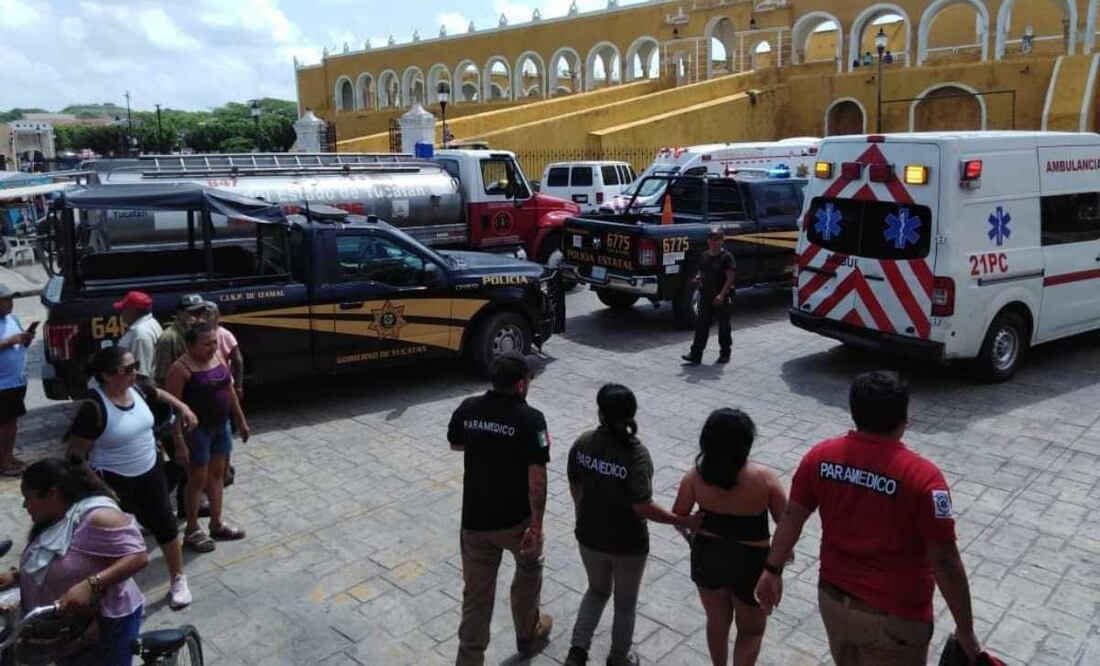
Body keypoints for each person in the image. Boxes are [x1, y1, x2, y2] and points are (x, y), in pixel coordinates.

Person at [755, 371, 982, 665]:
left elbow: (792, 517)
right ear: (904, 418)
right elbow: (945, 560)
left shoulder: (821, 457)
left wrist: (772, 571)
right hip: (895, 619)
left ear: (854, 412)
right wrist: (966, 629)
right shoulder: (924, 478)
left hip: (834, 602)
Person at [564, 384, 700, 666]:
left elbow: (575, 483)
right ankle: (618, 658)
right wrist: (680, 520)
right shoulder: (636, 455)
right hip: (627, 543)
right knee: (625, 603)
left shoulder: (583, 442)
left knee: (596, 591)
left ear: (600, 412)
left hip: (589, 535)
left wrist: (582, 513)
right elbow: (641, 506)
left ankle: (577, 652)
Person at [65, 347, 199, 610]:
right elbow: (75, 455)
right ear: (105, 375)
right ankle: (115, 590)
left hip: (150, 469)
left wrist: (182, 407)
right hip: (114, 480)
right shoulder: (93, 408)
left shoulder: (139, 389)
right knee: (117, 538)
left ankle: (178, 578)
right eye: (125, 370)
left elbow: (160, 394)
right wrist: (101, 488)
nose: (133, 373)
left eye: (134, 366)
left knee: (166, 524)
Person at [448, 352, 553, 666]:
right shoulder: (531, 419)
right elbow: (537, 481)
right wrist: (536, 526)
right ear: (521, 385)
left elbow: (456, 443)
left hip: (475, 522)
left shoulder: (468, 409)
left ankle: (469, 659)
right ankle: (527, 632)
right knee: (529, 571)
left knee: (476, 596)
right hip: (516, 523)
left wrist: (485, 440)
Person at [0, 458, 149, 666]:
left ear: (52, 493)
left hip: (105, 627)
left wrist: (92, 584)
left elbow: (139, 557)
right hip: (65, 630)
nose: (24, 505)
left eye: (29, 498)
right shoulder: (53, 518)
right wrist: (17, 576)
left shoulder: (97, 518)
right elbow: (56, 562)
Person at [672, 409, 786, 666]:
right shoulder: (765, 479)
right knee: (751, 630)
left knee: (717, 622)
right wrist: (779, 564)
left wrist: (692, 539)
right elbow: (786, 525)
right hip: (751, 562)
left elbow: (680, 516)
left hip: (708, 555)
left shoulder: (694, 477)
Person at [166, 323, 250, 553]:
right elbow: (174, 410)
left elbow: (229, 390)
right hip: (197, 432)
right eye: (206, 344)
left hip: (220, 427)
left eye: (214, 342)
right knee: (197, 480)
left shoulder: (217, 359)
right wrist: (179, 442)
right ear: (190, 345)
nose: (212, 347)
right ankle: (192, 530)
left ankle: (217, 523)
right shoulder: (180, 369)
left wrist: (240, 420)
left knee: (217, 474)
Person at [153, 293, 206, 516]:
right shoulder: (170, 338)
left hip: (191, 408)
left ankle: (182, 504)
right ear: (180, 313)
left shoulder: (195, 335)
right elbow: (163, 381)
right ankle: (162, 503)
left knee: (185, 463)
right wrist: (175, 412)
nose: (196, 318)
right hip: (176, 409)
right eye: (192, 314)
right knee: (181, 461)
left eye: (200, 313)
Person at [683, 229, 735, 365]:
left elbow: (730, 277)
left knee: (724, 327)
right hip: (706, 296)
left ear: (721, 240)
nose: (713, 242)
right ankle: (696, 354)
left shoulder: (726, 257)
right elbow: (702, 270)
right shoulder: (705, 255)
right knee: (701, 326)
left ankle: (725, 354)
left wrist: (722, 295)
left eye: (716, 239)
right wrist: (698, 278)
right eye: (711, 239)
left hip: (720, 297)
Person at [0, 283, 34, 476]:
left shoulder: (13, 319)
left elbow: (21, 346)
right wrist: (10, 341)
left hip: (16, 381)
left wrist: (26, 339)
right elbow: (10, 342)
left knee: (12, 422)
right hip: (2, 384)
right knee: (3, 424)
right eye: (5, 300)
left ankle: (8, 456)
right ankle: (3, 462)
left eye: (11, 299)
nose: (10, 303)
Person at [114, 290, 162, 381]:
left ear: (132, 311)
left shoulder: (141, 334)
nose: (121, 313)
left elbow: (141, 374)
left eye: (123, 309)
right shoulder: (151, 322)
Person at [203, 301, 244, 395]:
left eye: (208, 314)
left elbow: (238, 360)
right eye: (203, 315)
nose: (205, 318)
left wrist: (238, 386)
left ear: (217, 316)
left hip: (223, 383)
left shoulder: (224, 334)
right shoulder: (196, 335)